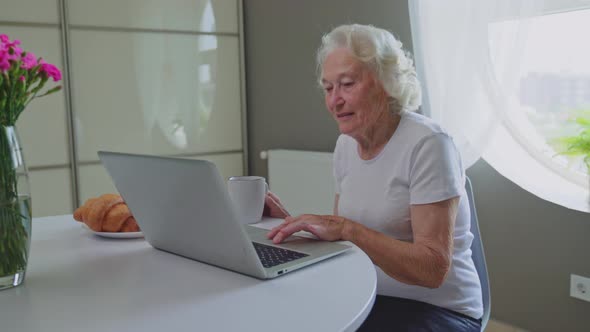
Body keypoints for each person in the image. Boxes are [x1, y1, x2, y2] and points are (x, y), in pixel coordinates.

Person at [264, 24, 483, 331]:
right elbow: (343, 240)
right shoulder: (346, 145)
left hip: (438, 309)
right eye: (328, 88)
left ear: (386, 82)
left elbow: (433, 270)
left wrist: (348, 229)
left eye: (347, 84)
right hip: (366, 296)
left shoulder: (429, 143)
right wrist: (287, 225)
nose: (334, 101)